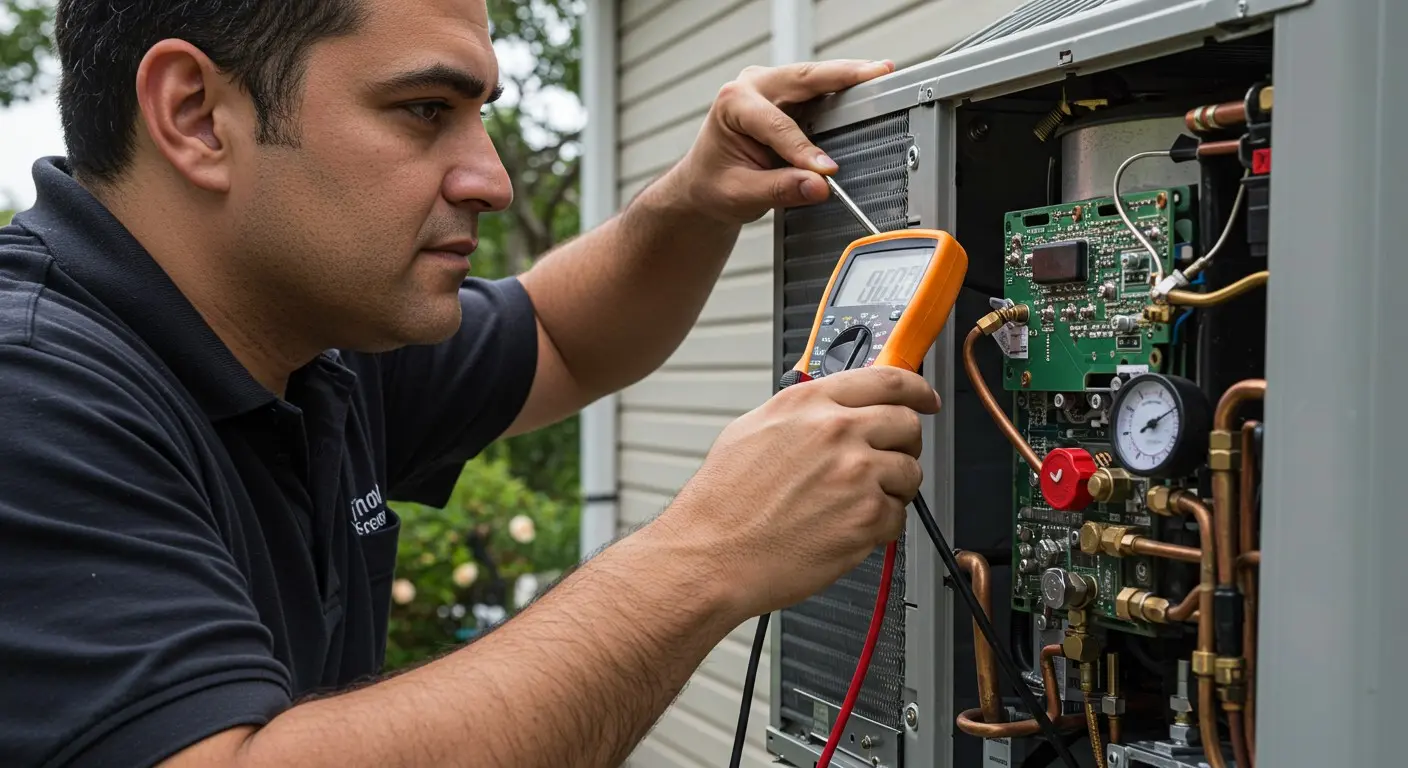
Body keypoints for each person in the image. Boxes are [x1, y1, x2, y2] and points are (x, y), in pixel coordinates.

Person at [0, 1, 941, 766]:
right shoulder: (33, 387)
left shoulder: (311, 339)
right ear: (197, 115)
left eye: (481, 114)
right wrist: (704, 556)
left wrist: (693, 197)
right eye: (424, 110)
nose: (492, 179)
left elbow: (562, 338)